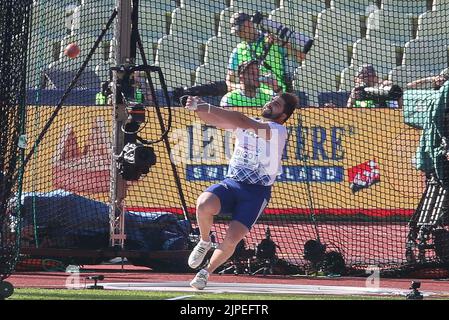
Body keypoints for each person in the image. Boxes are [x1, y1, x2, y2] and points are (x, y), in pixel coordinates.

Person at [184, 92, 299, 290]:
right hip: (233, 184)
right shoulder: (247, 126)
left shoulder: (277, 130)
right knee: (204, 204)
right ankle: (204, 241)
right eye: (272, 99)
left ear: (283, 115)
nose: (271, 103)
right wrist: (198, 108)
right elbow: (213, 119)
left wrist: (207, 106)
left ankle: (205, 273)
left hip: (255, 194)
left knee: (232, 238)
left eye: (277, 104)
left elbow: (238, 118)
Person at [226, 12, 306, 94]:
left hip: (277, 94)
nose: (238, 34)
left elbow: (301, 57)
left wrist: (282, 43)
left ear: (249, 24)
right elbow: (229, 83)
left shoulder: (272, 40)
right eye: (236, 31)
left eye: (240, 29)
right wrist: (243, 88)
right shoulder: (238, 50)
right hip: (252, 97)